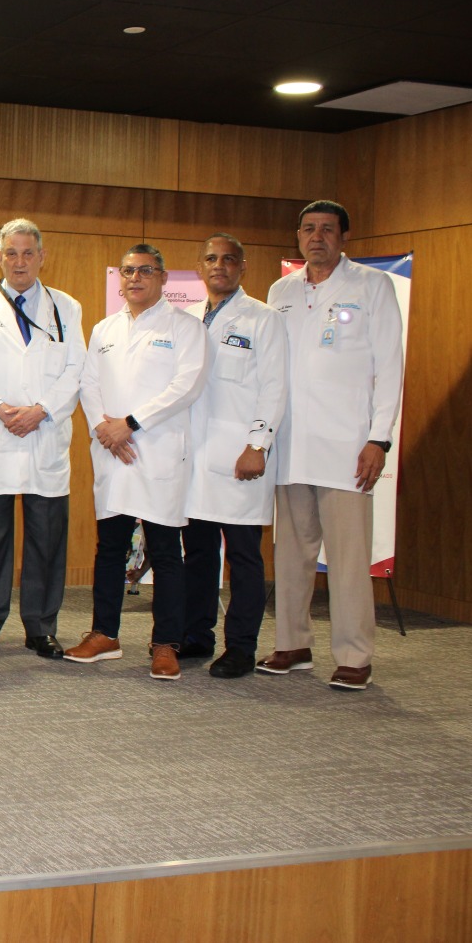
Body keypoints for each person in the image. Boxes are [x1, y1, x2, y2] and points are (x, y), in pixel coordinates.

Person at [262, 201, 404, 691]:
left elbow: (390, 367)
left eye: (326, 229)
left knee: (346, 558)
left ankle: (353, 654)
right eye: (307, 229)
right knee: (292, 554)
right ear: (297, 237)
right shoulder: (280, 290)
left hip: (347, 445)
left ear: (344, 236)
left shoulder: (371, 286)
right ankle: (292, 643)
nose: (316, 236)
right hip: (290, 445)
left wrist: (378, 437)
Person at [71, 243, 209, 679]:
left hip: (158, 452)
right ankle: (104, 635)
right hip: (113, 453)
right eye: (128, 272)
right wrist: (104, 429)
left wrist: (129, 423)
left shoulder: (186, 328)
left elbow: (186, 386)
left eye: (145, 271)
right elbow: (88, 384)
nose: (134, 279)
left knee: (167, 553)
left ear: (164, 278)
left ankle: (165, 643)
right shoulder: (105, 329)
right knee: (110, 549)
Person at [0, 218, 85, 661]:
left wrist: (40, 410)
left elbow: (76, 370)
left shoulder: (67, 308)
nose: (19, 261)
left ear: (42, 256)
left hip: (44, 434)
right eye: (11, 253)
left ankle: (41, 626)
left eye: (28, 252)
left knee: (46, 538)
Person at [179, 235, 286, 678]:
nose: (218, 266)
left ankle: (241, 646)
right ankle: (196, 634)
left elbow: (275, 386)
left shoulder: (264, 319)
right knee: (199, 554)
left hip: (242, 457)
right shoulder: (184, 319)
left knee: (243, 557)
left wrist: (257, 445)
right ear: (200, 268)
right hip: (194, 460)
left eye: (228, 260)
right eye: (210, 259)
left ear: (243, 267)